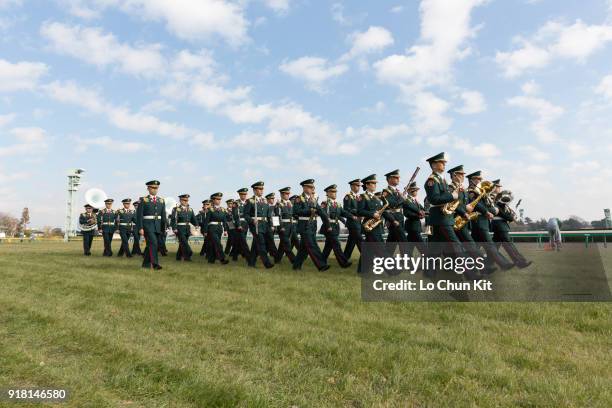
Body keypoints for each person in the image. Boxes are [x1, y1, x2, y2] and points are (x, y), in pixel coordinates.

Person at [467, 171, 514, 270]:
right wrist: (489, 211)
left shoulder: (480, 191)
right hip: (478, 220)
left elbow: (488, 205)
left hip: (482, 221)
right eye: (478, 179)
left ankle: (469, 265)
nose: (480, 180)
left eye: (480, 179)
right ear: (472, 180)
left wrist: (493, 210)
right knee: (490, 244)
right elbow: (476, 205)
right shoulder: (471, 191)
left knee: (474, 247)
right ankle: (503, 264)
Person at [292, 179, 331, 272]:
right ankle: (321, 265)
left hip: (312, 226)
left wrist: (328, 224)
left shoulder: (313, 199)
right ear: (304, 188)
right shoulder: (299, 199)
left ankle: (296, 266)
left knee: (303, 249)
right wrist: (309, 211)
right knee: (313, 245)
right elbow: (296, 211)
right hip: (304, 226)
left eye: (312, 187)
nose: (312, 189)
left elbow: (321, 212)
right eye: (310, 187)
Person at [492, 186, 533, 267]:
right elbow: (501, 213)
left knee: (494, 247)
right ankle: (521, 262)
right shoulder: (496, 199)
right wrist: (511, 217)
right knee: (509, 244)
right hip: (500, 225)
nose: (500, 189)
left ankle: (486, 263)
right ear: (495, 187)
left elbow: (504, 210)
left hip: (500, 225)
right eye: (498, 187)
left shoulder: (499, 200)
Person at [357, 174, 386, 273]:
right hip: (369, 226)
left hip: (377, 225)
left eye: (375, 183)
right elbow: (359, 211)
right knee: (381, 248)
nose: (375, 185)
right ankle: (393, 270)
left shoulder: (377, 198)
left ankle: (362, 270)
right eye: (373, 183)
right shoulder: (362, 197)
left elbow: (380, 211)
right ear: (367, 185)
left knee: (368, 250)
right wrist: (372, 214)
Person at [136, 180, 167, 270]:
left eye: (156, 188)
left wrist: (163, 227)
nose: (155, 190)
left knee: (152, 245)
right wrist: (140, 228)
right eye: (153, 188)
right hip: (147, 226)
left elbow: (163, 216)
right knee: (153, 243)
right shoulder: (143, 200)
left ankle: (145, 264)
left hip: (158, 226)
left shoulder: (161, 200)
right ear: (148, 188)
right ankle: (155, 264)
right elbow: (139, 215)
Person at [243, 181, 275, 268]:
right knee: (261, 243)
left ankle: (251, 262)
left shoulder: (265, 201)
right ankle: (267, 263)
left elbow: (269, 215)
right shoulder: (250, 201)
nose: (261, 191)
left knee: (256, 245)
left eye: (262, 189)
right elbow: (245, 214)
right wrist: (252, 220)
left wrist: (271, 225)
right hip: (256, 225)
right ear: (254, 190)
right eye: (259, 189)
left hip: (265, 225)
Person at [320, 184, 352, 268]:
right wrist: (328, 226)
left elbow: (342, 213)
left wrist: (352, 216)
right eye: (332, 192)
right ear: (328, 193)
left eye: (335, 192)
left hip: (336, 226)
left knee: (328, 246)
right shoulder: (325, 203)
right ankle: (343, 263)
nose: (335, 194)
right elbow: (323, 216)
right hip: (329, 227)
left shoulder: (337, 204)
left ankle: (321, 262)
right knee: (336, 244)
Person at [383, 170, 407, 248]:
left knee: (391, 243)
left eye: (398, 178)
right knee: (403, 241)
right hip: (394, 218)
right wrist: (402, 198)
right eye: (396, 178)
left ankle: (385, 258)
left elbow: (402, 204)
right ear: (389, 179)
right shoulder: (386, 192)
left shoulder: (397, 191)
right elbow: (392, 204)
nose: (398, 179)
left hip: (399, 217)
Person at [204, 193, 230, 264]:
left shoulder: (223, 210)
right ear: (213, 200)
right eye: (217, 199)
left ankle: (211, 260)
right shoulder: (210, 210)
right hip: (212, 229)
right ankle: (222, 259)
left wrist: (225, 230)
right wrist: (205, 231)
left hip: (219, 229)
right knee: (218, 244)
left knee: (213, 244)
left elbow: (224, 221)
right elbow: (206, 221)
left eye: (219, 199)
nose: (219, 201)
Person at [171, 194, 198, 262]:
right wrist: (174, 228)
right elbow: (173, 219)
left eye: (187, 200)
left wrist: (196, 225)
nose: (186, 202)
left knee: (182, 243)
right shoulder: (176, 209)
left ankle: (178, 257)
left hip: (187, 228)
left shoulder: (190, 209)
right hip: (179, 228)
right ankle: (189, 254)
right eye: (184, 200)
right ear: (180, 200)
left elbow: (193, 218)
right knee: (184, 242)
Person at [402, 182, 426, 257]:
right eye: (414, 190)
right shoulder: (406, 200)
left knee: (410, 247)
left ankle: (408, 262)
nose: (416, 192)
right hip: (412, 226)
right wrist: (418, 216)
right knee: (423, 248)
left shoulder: (416, 201)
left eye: (416, 190)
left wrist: (425, 213)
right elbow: (407, 213)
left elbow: (423, 209)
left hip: (416, 226)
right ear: (409, 191)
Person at [274, 187, 296, 264]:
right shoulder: (279, 204)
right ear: (282, 195)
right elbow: (276, 217)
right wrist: (280, 227)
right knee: (287, 244)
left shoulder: (290, 204)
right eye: (286, 194)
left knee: (282, 245)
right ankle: (294, 261)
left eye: (288, 194)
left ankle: (277, 260)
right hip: (283, 226)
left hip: (290, 226)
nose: (287, 195)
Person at [343, 179, 363, 261]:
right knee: (360, 239)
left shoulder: (359, 197)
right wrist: (358, 212)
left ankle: (344, 258)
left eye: (359, 186)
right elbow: (346, 209)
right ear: (351, 186)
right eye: (356, 185)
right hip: (352, 222)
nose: (358, 187)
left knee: (351, 242)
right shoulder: (348, 196)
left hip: (358, 222)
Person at [231, 188, 251, 261]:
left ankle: (234, 256)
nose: (244, 196)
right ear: (239, 195)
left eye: (245, 194)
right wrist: (238, 224)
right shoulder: (236, 203)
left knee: (238, 241)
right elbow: (235, 215)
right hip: (239, 224)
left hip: (246, 223)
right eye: (242, 194)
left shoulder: (248, 202)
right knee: (243, 240)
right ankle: (249, 256)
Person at [264, 192, 280, 260]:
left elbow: (276, 216)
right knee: (271, 241)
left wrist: (276, 226)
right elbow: (269, 217)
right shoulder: (267, 206)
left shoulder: (273, 207)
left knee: (268, 242)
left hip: (273, 227)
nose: (273, 200)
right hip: (268, 226)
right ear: (268, 199)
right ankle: (276, 256)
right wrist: (271, 226)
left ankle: (265, 254)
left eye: (273, 198)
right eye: (271, 199)